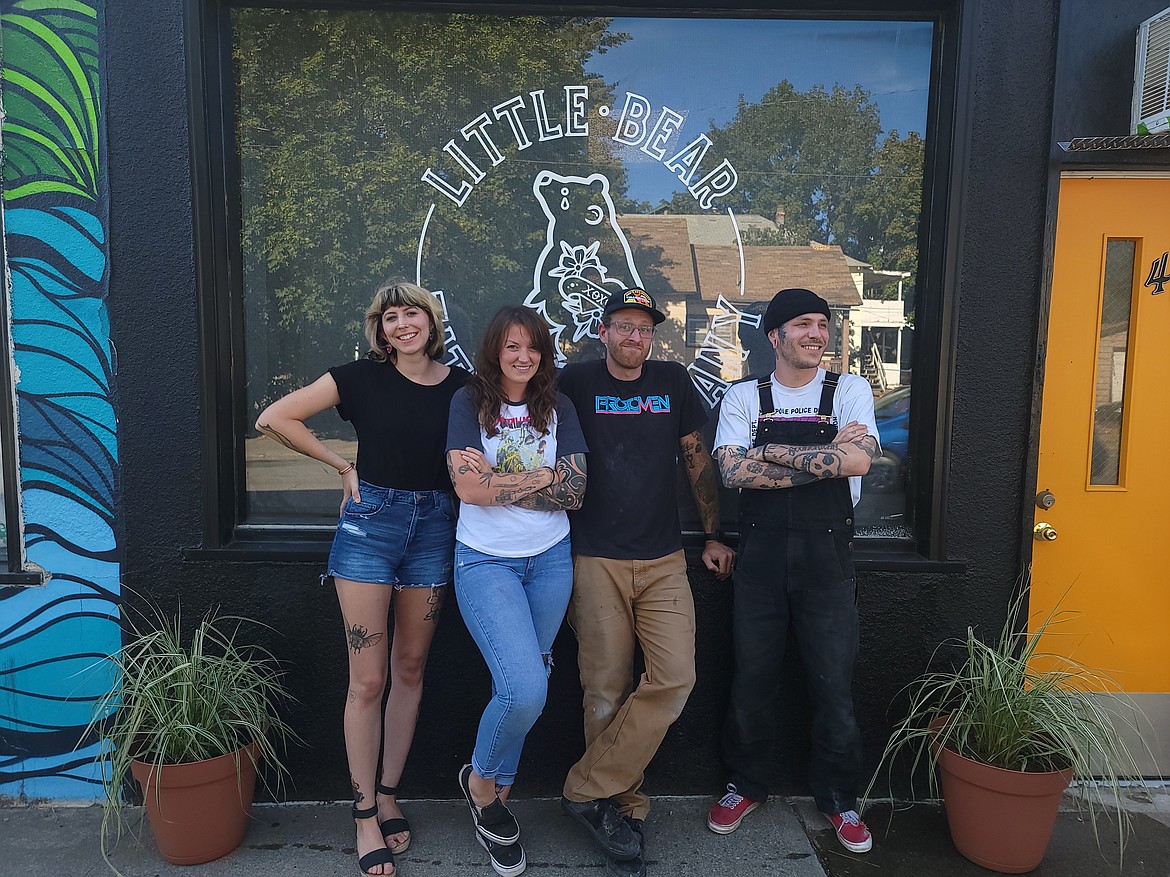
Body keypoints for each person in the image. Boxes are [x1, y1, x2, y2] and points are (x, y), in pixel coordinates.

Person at [255, 280, 468, 877]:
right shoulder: (357, 378)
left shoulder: (460, 387)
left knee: (409, 670)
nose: (404, 325)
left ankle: (391, 789)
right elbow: (275, 417)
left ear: (433, 321)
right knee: (368, 680)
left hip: (434, 527)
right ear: (380, 328)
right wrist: (341, 464)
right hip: (369, 531)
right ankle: (364, 810)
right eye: (392, 316)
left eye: (414, 314)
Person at [557, 287, 735, 877]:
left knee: (674, 678)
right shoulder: (575, 383)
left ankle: (584, 787)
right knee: (604, 688)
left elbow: (697, 459)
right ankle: (623, 805)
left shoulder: (672, 382)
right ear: (603, 331)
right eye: (624, 327)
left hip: (663, 558)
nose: (636, 337)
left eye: (644, 328)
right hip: (594, 558)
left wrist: (714, 532)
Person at [707, 287, 880, 854]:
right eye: (802, 324)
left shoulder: (850, 389)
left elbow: (857, 460)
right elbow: (732, 474)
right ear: (775, 335)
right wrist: (819, 457)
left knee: (833, 685)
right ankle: (745, 785)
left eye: (822, 325)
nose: (816, 334)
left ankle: (839, 798)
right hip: (758, 560)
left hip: (828, 560)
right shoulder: (743, 395)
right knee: (752, 681)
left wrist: (770, 449)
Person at [446, 305, 589, 877]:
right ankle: (480, 782)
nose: (523, 356)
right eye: (512, 346)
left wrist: (498, 481)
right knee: (525, 686)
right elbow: (467, 488)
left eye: (532, 346)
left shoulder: (559, 407)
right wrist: (540, 481)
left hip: (551, 560)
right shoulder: (467, 402)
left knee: (532, 676)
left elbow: (575, 490)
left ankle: (498, 797)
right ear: (494, 351)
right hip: (485, 562)